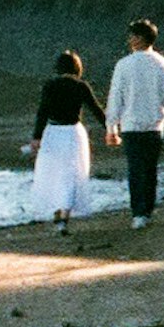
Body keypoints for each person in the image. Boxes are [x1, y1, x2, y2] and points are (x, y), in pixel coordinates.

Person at [104, 18, 164, 229]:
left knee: (135, 170)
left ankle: (138, 212)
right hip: (154, 126)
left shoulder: (123, 65)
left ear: (140, 39)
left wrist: (111, 126)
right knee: (149, 170)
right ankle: (146, 210)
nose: (130, 39)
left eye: (133, 35)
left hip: (130, 126)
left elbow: (115, 97)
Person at [26, 50, 101, 230]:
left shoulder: (50, 85)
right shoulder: (81, 85)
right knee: (72, 173)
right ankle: (65, 215)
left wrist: (36, 137)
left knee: (53, 172)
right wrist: (111, 130)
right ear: (77, 67)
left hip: (53, 132)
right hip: (74, 133)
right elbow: (96, 110)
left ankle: (56, 212)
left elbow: (42, 112)